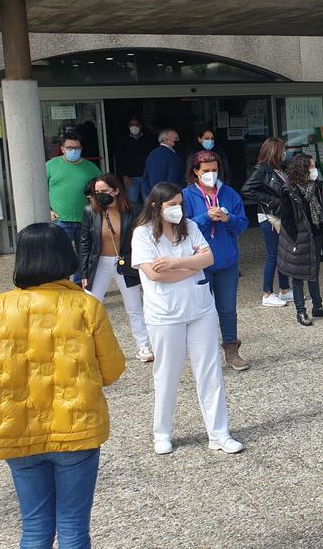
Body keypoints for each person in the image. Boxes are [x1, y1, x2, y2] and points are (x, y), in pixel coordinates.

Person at [0, 222, 125, 549]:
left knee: (35, 527)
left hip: (17, 431)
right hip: (76, 430)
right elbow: (112, 370)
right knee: (73, 527)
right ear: (64, 257)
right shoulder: (86, 306)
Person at [130, 183, 244, 455]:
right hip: (165, 314)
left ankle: (219, 433)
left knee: (210, 372)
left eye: (179, 203)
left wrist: (173, 263)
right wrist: (188, 266)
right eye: (172, 205)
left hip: (200, 309)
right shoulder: (142, 234)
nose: (177, 210)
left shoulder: (190, 226)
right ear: (157, 206)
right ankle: (162, 433)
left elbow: (208, 258)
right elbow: (155, 275)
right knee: (167, 374)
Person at [182, 150, 251, 371]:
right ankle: (204, 354)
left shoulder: (229, 194)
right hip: (199, 263)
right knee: (202, 310)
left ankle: (232, 350)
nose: (211, 174)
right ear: (196, 172)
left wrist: (227, 218)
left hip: (227, 261)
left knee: (228, 308)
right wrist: (205, 218)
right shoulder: (186, 196)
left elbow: (242, 226)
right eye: (206, 171)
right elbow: (181, 227)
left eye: (214, 170)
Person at [79, 174, 152, 363]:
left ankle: (143, 346)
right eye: (96, 192)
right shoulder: (90, 211)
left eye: (104, 191)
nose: (100, 195)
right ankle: (87, 348)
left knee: (134, 307)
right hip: (99, 263)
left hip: (125, 262)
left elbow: (143, 237)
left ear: (116, 190)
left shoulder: (133, 209)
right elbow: (84, 243)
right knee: (91, 308)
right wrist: (84, 272)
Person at [278, 153, 323, 326]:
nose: (314, 170)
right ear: (302, 169)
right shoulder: (290, 190)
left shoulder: (315, 186)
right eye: (311, 167)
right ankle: (301, 311)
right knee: (298, 276)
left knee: (314, 272)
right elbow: (286, 217)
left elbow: (321, 209)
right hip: (300, 237)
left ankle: (317, 306)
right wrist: (296, 238)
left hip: (316, 233)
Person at [241, 137, 294, 307]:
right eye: (282, 150)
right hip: (269, 216)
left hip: (280, 215)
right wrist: (271, 200)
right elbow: (247, 190)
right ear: (275, 152)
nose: (285, 153)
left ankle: (284, 289)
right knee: (273, 255)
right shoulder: (263, 170)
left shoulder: (280, 169)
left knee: (282, 254)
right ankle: (267, 293)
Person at [46, 132, 102, 283]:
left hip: (85, 219)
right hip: (60, 220)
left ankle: (79, 283)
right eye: (70, 147)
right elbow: (40, 189)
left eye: (77, 148)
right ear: (62, 149)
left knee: (84, 255)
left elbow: (100, 190)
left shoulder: (91, 168)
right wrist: (48, 210)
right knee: (60, 254)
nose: (73, 151)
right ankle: (62, 283)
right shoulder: (51, 165)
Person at [116, 116, 154, 204]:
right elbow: (119, 159)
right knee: (131, 202)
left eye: (136, 124)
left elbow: (152, 158)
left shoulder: (148, 140)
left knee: (149, 202)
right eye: (132, 125)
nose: (134, 127)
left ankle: (147, 218)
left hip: (146, 177)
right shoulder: (123, 141)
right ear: (128, 126)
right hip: (130, 178)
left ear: (140, 126)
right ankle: (133, 218)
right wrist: (124, 176)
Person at [141, 129, 183, 196]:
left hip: (154, 194)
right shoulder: (172, 156)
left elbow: (145, 177)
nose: (178, 140)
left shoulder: (152, 153)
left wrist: (149, 194)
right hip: (169, 195)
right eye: (176, 138)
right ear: (166, 140)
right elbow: (172, 179)